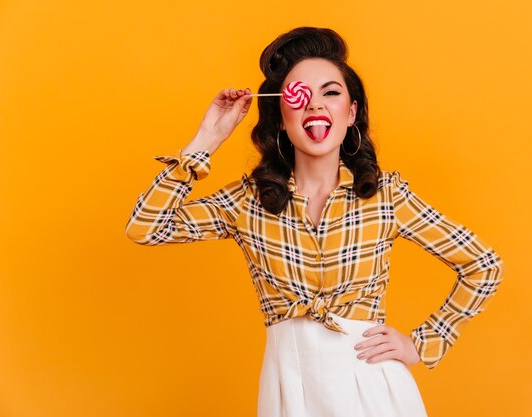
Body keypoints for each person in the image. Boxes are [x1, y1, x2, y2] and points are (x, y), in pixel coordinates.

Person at [125, 26, 505, 417]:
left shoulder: (385, 196)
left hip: (375, 388)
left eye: (331, 92)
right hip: (290, 390)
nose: (316, 106)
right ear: (281, 117)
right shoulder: (248, 201)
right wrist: (207, 138)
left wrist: (424, 342)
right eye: (301, 95)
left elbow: (484, 265)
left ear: (351, 112)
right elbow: (147, 226)